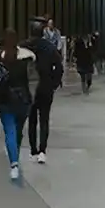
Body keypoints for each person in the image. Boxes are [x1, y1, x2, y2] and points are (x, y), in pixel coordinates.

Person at [0, 28, 34, 182]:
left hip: (3, 99)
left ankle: (14, 164)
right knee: (18, 130)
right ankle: (15, 154)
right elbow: (32, 62)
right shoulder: (24, 57)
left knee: (9, 130)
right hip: (22, 99)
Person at [27, 20, 64, 163]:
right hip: (46, 87)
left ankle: (33, 150)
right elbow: (59, 67)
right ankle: (42, 150)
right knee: (44, 119)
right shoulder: (49, 47)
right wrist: (54, 83)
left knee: (31, 119)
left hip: (29, 88)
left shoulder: (24, 47)